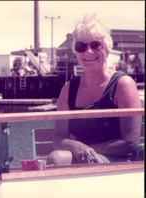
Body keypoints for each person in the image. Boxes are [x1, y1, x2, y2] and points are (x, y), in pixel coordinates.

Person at [47, 14, 141, 165]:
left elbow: (130, 142)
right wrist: (75, 146)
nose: (88, 51)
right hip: (82, 158)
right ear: (76, 52)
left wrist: (87, 150)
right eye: (81, 46)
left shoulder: (123, 84)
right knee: (55, 159)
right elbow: (58, 138)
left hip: (119, 161)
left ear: (107, 49)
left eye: (95, 45)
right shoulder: (68, 89)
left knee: (58, 159)